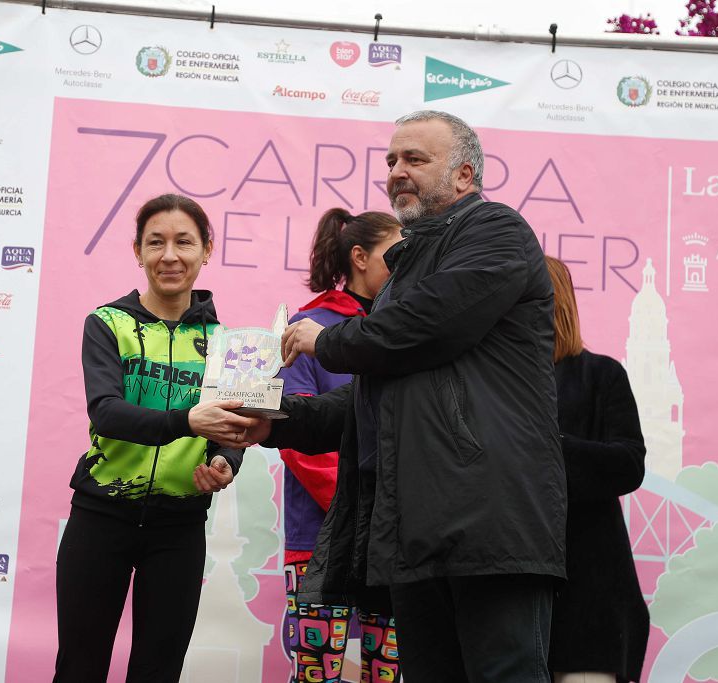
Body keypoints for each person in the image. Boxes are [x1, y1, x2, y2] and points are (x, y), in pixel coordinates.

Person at [223, 110, 567, 682]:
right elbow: (370, 403)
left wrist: (327, 341)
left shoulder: (497, 231)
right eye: (391, 161)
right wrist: (274, 424)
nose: (397, 171)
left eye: (415, 159)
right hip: (415, 531)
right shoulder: (404, 273)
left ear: (463, 176)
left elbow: (426, 325)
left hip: (490, 522)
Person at [54, 194, 257, 683]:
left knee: (158, 671)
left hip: (179, 527)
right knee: (80, 667)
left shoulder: (226, 342)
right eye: (156, 243)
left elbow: (231, 429)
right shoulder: (107, 324)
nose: (170, 255)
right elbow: (107, 414)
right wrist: (189, 421)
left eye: (184, 242)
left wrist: (226, 462)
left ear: (207, 249)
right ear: (137, 251)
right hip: (100, 519)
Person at [278, 208, 403, 683]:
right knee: (317, 673)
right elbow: (296, 437)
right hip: (319, 537)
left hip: (391, 541)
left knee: (386, 673)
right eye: (395, 252)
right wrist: (364, 505)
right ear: (360, 257)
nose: (405, 261)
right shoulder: (309, 326)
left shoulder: (406, 331)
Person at [544, 256, 650, 683]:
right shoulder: (486, 384)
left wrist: (548, 452)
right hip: (505, 600)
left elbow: (629, 464)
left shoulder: (601, 375)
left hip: (588, 597)